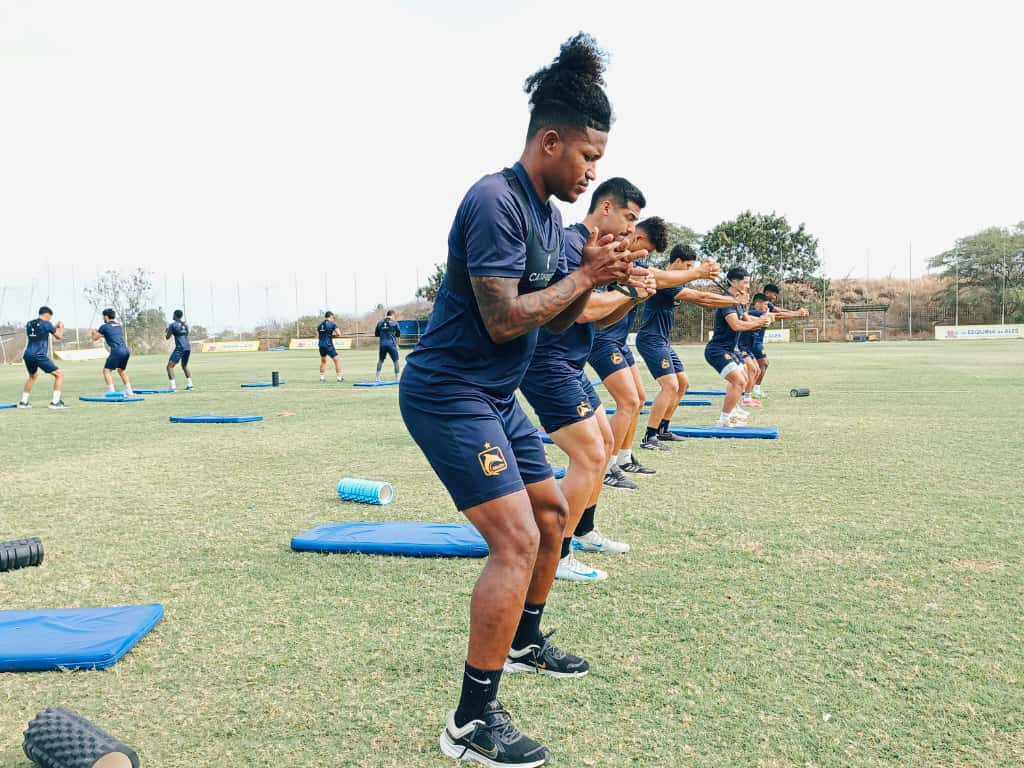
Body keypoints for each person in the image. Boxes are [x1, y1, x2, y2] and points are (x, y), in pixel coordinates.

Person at [399, 33, 643, 767]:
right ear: (549, 141)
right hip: (449, 393)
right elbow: (506, 315)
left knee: (551, 514)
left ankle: (529, 637)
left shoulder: (545, 216)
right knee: (516, 541)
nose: (591, 172)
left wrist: (592, 278)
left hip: (497, 393)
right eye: (588, 158)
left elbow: (558, 314)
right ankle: (470, 723)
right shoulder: (495, 202)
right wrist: (581, 278)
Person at [519, 177, 654, 583]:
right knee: (591, 455)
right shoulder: (567, 243)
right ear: (606, 208)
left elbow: (604, 316)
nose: (632, 230)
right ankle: (555, 557)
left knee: (607, 444)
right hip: (546, 362)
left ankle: (584, 531)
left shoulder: (601, 255)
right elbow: (578, 310)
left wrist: (633, 294)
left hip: (571, 364)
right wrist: (628, 293)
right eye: (629, 218)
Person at [634, 245, 740, 450]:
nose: (689, 270)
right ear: (677, 262)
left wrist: (730, 299)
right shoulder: (665, 282)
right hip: (651, 339)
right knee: (670, 386)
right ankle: (649, 437)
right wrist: (732, 300)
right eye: (688, 266)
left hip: (662, 341)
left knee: (683, 384)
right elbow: (702, 299)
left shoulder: (673, 281)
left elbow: (703, 296)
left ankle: (663, 429)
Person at [587, 217, 666, 486]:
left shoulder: (632, 262)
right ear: (640, 240)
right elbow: (662, 278)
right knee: (628, 402)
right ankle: (607, 468)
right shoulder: (616, 259)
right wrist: (698, 273)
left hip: (618, 341)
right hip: (603, 341)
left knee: (639, 399)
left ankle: (624, 457)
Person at [704, 268, 773, 426]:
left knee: (743, 378)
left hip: (731, 349)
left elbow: (748, 322)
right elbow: (735, 325)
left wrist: (762, 321)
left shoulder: (737, 301)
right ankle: (723, 419)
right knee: (739, 381)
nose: (747, 286)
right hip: (717, 349)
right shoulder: (726, 301)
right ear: (733, 282)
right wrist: (759, 322)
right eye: (745, 282)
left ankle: (732, 410)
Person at [750, 283, 809, 396]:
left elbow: (779, 311)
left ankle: (752, 389)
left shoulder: (766, 305)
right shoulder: (759, 307)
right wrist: (797, 313)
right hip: (751, 340)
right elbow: (778, 315)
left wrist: (797, 313)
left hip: (756, 341)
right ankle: (751, 390)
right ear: (767, 293)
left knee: (761, 365)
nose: (775, 298)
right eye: (774, 295)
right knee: (759, 365)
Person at [18, 306, 66, 409]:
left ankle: (23, 402)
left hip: (28, 354)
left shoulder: (29, 323)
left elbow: (41, 329)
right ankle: (55, 403)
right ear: (47, 315)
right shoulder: (47, 324)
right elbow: (59, 336)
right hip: (38, 354)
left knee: (33, 376)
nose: (50, 320)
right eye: (50, 317)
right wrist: (61, 327)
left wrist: (53, 326)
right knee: (59, 375)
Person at [91, 309, 132, 396]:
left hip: (117, 351)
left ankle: (112, 392)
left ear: (106, 316)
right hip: (126, 350)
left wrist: (93, 332)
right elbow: (110, 334)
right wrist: (101, 334)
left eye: (103, 316)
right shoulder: (118, 325)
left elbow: (95, 338)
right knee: (121, 370)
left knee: (106, 370)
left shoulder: (104, 326)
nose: (103, 318)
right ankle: (129, 391)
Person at [165, 309, 193, 391]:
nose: (172, 316)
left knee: (169, 366)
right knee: (184, 366)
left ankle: (173, 387)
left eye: (173, 315)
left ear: (175, 315)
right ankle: (190, 385)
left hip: (180, 348)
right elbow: (185, 334)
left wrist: (167, 331)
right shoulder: (185, 325)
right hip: (188, 347)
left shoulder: (173, 325)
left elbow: (167, 337)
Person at [374, 310, 401, 382]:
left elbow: (376, 334)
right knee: (396, 361)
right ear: (392, 315)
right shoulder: (395, 323)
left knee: (380, 360)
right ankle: (397, 379)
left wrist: (384, 333)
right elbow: (398, 334)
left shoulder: (379, 323)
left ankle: (377, 378)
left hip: (382, 344)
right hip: (392, 344)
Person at [316, 311, 344, 382]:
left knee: (323, 361)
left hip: (321, 345)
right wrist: (333, 336)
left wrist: (330, 335)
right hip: (328, 345)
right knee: (336, 360)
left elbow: (318, 335)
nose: (333, 319)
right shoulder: (333, 324)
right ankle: (339, 378)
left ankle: (322, 378)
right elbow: (339, 334)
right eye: (333, 317)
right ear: (331, 316)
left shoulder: (320, 325)